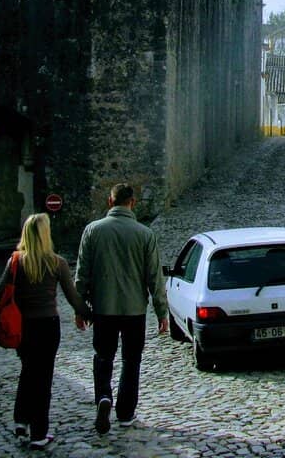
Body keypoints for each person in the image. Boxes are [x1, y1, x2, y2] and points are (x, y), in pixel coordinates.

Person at [74, 183, 170, 434]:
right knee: (131, 360)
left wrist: (80, 308)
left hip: (103, 308)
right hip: (134, 311)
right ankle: (126, 412)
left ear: (110, 202)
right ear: (133, 203)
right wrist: (162, 312)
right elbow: (154, 277)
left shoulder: (92, 231)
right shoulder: (144, 234)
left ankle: (103, 396)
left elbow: (82, 273)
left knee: (103, 356)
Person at [0, 213, 90, 451]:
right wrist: (88, 314)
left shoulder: (16, 261)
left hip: (24, 325)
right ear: (46, 235)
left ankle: (21, 419)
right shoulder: (56, 262)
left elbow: (1, 291)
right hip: (48, 325)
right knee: (43, 378)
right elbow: (73, 297)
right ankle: (39, 432)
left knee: (28, 371)